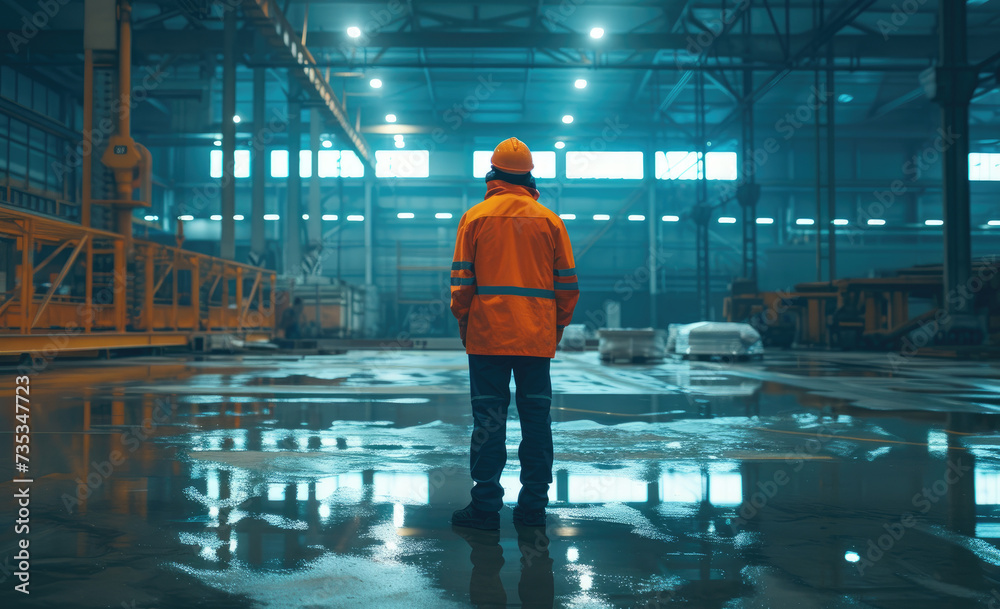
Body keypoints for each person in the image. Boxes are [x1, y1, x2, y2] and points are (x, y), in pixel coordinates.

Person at [450, 137, 580, 530]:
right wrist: (555, 327)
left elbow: (461, 285)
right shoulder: (549, 220)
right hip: (536, 339)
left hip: (487, 339)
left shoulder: (475, 217)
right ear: (529, 176)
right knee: (536, 422)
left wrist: (465, 324)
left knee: (488, 420)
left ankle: (486, 506)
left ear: (492, 174)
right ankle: (533, 508)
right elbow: (568, 285)